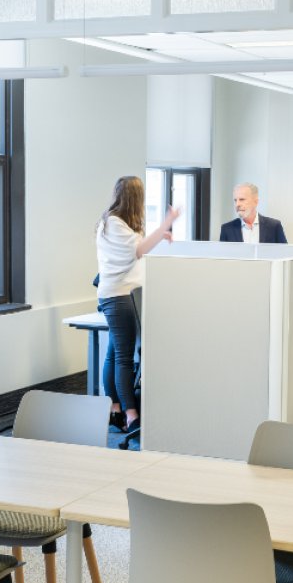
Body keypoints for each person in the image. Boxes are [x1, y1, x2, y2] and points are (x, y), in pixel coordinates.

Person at [97, 175, 181, 433]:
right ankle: (131, 414)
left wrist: (160, 233)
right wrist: (166, 223)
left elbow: (137, 248)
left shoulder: (114, 222)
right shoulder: (114, 223)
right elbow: (139, 250)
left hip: (118, 294)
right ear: (135, 198)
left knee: (114, 353)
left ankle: (115, 410)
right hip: (119, 296)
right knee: (124, 357)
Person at [219, 182, 287, 243]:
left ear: (255, 202)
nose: (237, 204)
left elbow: (284, 251)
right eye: (235, 200)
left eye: (242, 199)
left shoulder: (274, 226)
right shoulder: (227, 229)